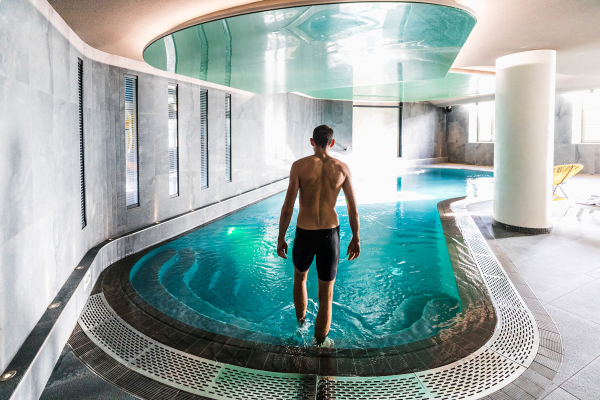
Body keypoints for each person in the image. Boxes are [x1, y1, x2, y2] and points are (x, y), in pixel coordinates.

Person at [277, 125, 360, 347]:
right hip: (329, 236)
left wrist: (281, 237)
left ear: (311, 141)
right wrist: (356, 238)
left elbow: (287, 207)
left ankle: (301, 326)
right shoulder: (342, 168)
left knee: (300, 279)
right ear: (332, 143)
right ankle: (320, 342)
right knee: (326, 294)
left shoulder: (299, 166)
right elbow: (353, 209)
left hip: (304, 233)